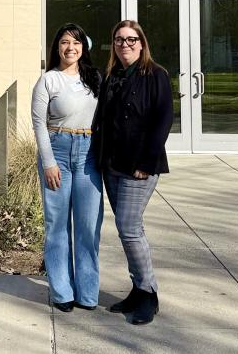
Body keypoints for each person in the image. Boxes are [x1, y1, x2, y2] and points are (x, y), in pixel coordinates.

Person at [92, 19, 173, 326]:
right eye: (118, 40)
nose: (124, 45)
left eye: (130, 39)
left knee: (129, 228)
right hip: (112, 165)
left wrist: (146, 162)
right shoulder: (111, 76)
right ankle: (138, 290)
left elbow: (163, 121)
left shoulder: (155, 75)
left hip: (139, 167)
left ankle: (149, 293)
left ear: (141, 43)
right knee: (128, 231)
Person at [30, 23, 103, 312]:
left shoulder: (95, 79)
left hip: (89, 156)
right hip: (57, 152)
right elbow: (38, 123)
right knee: (57, 225)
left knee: (88, 226)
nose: (70, 47)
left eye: (76, 42)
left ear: (84, 47)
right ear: (56, 47)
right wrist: (48, 163)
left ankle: (87, 293)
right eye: (64, 42)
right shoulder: (48, 80)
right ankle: (62, 292)